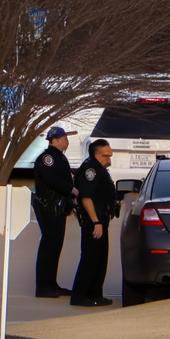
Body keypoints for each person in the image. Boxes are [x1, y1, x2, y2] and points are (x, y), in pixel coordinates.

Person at [32, 126, 79, 298]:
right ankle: (44, 287)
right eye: (65, 138)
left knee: (55, 246)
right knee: (49, 246)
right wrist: (72, 190)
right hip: (49, 207)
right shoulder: (47, 158)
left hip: (58, 207)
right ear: (57, 140)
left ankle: (51, 284)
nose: (67, 141)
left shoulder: (59, 157)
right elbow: (52, 179)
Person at [71, 139, 116, 308]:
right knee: (90, 259)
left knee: (100, 259)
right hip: (93, 222)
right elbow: (86, 197)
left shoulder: (99, 168)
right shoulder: (91, 170)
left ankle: (95, 294)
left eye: (111, 155)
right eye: (106, 156)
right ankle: (80, 296)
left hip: (101, 221)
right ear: (97, 155)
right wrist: (96, 221)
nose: (109, 159)